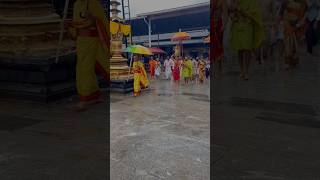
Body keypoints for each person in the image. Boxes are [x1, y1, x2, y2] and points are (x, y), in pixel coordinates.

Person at [66, 0, 109, 111]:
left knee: (85, 69)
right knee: (82, 69)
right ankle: (93, 95)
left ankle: (85, 99)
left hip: (91, 40)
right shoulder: (76, 4)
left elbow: (99, 21)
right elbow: (78, 24)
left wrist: (74, 24)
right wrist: (69, 25)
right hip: (81, 41)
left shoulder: (92, 3)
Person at [229, 0, 265, 80]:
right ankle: (242, 71)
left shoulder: (252, 2)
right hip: (237, 27)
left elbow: (255, 14)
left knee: (247, 48)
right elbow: (230, 11)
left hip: (247, 26)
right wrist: (233, 13)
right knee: (240, 49)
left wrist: (241, 10)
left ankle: (246, 71)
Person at [281, 0, 307, 70]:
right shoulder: (287, 2)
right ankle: (287, 62)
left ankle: (293, 61)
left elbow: (303, 15)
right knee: (288, 43)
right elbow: (283, 12)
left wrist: (299, 24)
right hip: (288, 25)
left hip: (297, 26)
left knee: (295, 44)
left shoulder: (302, 3)